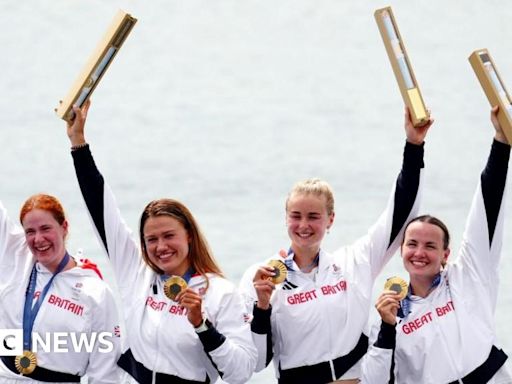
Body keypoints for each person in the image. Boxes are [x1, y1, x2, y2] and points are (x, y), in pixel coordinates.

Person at [65, 100, 257, 384]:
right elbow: (102, 210)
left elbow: (241, 372)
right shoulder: (137, 273)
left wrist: (202, 325)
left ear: (188, 235)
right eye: (151, 239)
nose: (161, 247)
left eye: (169, 236)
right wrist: (78, 143)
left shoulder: (220, 293)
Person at [238, 107, 434, 383]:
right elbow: (256, 362)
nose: (304, 225)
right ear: (285, 218)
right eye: (296, 216)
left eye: (313, 216)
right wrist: (262, 307)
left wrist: (414, 146)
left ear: (330, 220)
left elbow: (399, 214)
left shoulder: (354, 262)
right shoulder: (262, 277)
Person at [361, 106, 511, 384]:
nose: (420, 253)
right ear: (402, 250)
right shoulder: (390, 311)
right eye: (412, 244)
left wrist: (501, 142)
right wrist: (386, 328)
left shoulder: (470, 275)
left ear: (446, 254)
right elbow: (374, 381)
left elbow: (487, 206)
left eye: (430, 246)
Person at [0, 193, 121, 383]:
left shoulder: (95, 292)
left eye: (45, 229)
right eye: (30, 231)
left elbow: (105, 372)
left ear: (64, 227)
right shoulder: (16, 255)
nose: (38, 239)